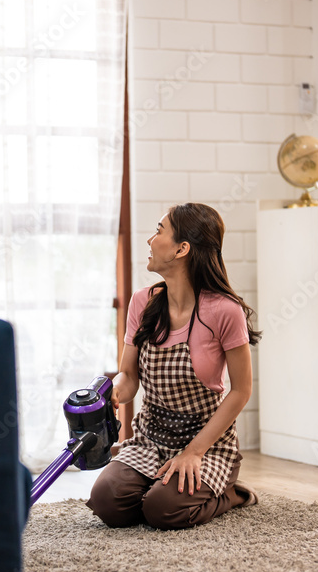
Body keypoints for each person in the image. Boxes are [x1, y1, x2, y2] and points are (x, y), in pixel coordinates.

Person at [87, 203, 262, 530]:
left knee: (162, 510)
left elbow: (241, 391)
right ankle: (157, 487)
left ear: (182, 248)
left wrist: (193, 452)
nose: (150, 240)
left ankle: (231, 493)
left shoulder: (225, 311)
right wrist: (112, 396)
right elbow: (129, 375)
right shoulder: (143, 301)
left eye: (159, 231)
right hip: (151, 437)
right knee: (107, 503)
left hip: (206, 442)